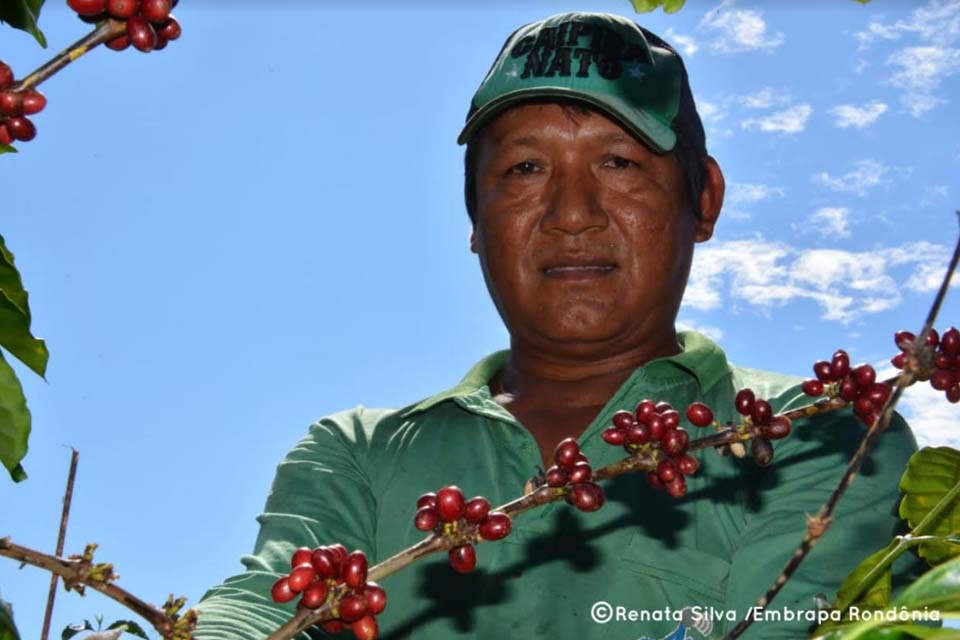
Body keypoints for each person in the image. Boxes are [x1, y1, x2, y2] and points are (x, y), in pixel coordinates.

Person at [194, 12, 922, 640]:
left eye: (618, 162)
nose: (572, 213)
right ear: (475, 220)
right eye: (523, 170)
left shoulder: (824, 435)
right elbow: (265, 606)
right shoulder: (359, 454)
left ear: (703, 201)